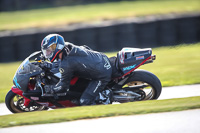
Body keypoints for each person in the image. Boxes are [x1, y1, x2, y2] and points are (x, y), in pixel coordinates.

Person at [41, 34, 112, 105]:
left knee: (85, 102)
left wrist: (51, 89)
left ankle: (103, 99)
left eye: (49, 51)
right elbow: (85, 47)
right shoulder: (68, 46)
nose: (47, 53)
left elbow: (63, 87)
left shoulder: (67, 64)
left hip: (103, 74)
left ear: (57, 47)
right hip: (102, 57)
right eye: (46, 51)